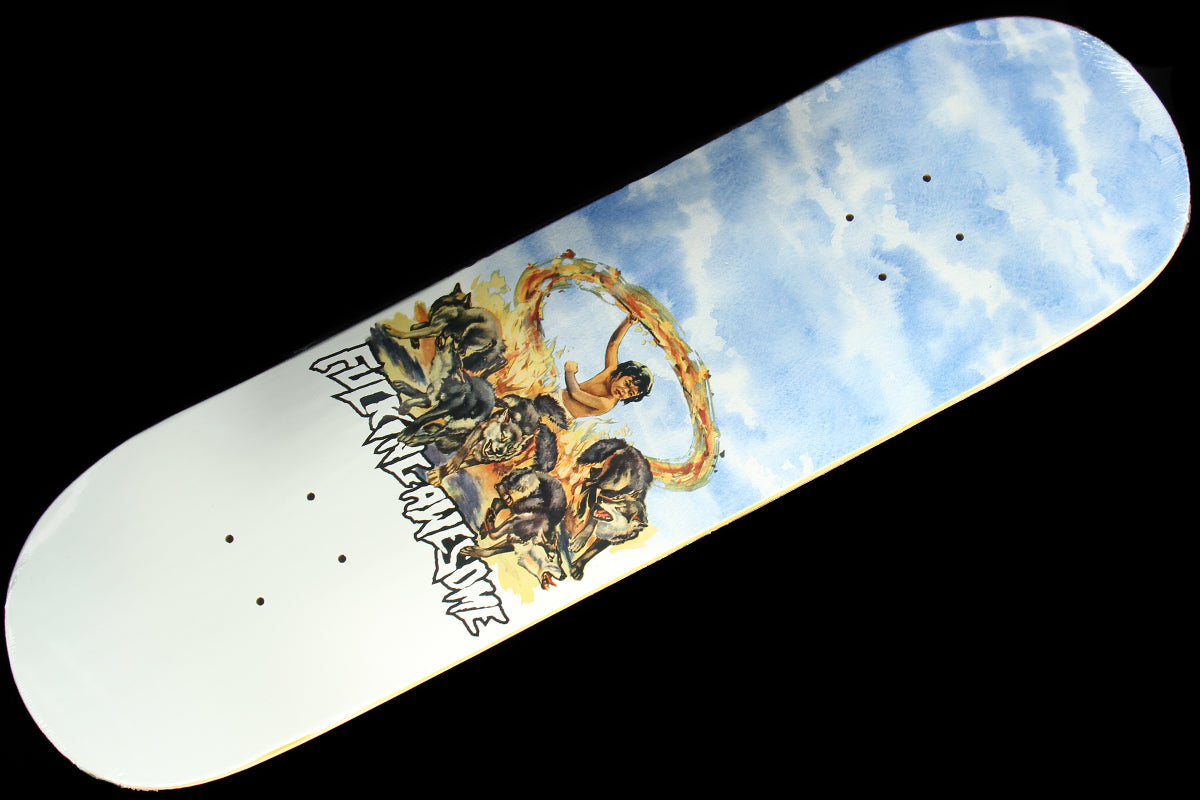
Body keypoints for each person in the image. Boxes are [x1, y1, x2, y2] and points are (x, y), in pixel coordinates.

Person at [561, 313, 653, 418]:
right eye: (627, 383)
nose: (624, 391)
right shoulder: (611, 369)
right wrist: (627, 322)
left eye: (630, 393)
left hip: (559, 416)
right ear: (620, 374)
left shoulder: (606, 403)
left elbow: (575, 393)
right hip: (554, 398)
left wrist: (569, 372)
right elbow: (613, 344)